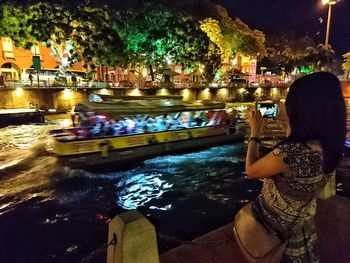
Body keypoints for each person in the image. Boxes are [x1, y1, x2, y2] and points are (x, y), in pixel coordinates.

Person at [245, 72, 346, 263]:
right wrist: (288, 119)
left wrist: (255, 132)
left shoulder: (290, 154)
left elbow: (251, 170)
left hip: (273, 230)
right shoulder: (329, 145)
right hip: (301, 228)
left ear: (302, 109)